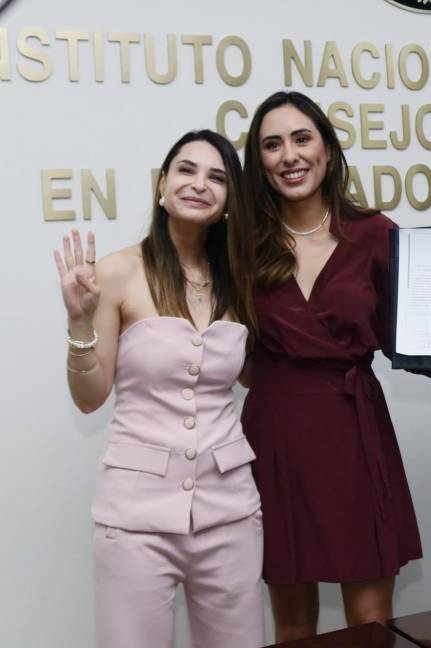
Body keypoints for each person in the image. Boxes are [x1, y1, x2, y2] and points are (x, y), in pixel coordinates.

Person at [239, 90, 431, 640]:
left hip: (353, 430)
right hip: (274, 436)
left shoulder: (375, 233)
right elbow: (233, 356)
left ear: (328, 148)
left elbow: (419, 350)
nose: (289, 155)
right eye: (272, 144)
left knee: (369, 623)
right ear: (258, 161)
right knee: (293, 623)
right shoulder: (241, 242)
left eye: (301, 138)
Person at [54, 130, 264, 648]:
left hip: (230, 512)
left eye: (217, 177)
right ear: (163, 186)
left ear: (230, 200)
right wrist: (80, 324)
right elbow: (89, 397)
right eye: (186, 170)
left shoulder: (242, 278)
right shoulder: (116, 272)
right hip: (134, 517)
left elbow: (253, 377)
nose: (199, 184)